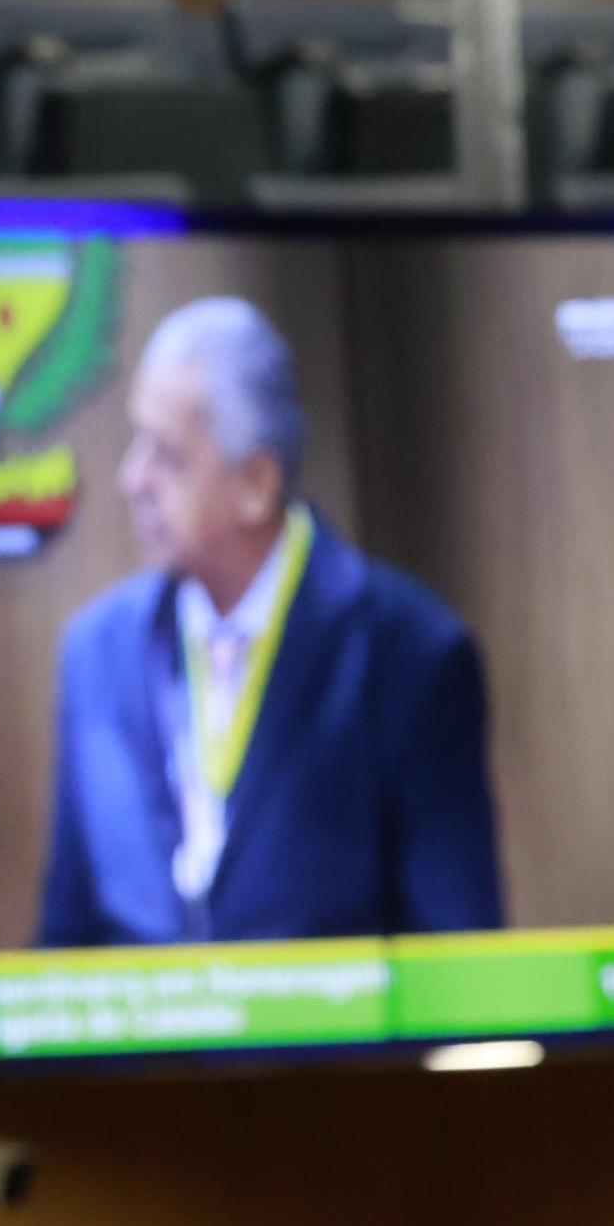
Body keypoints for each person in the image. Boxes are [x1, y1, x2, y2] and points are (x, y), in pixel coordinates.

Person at [33, 297, 503, 948]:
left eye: (167, 456)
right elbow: (64, 945)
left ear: (256, 483)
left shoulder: (410, 654)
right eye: (137, 444)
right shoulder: (95, 654)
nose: (131, 479)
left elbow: (459, 956)